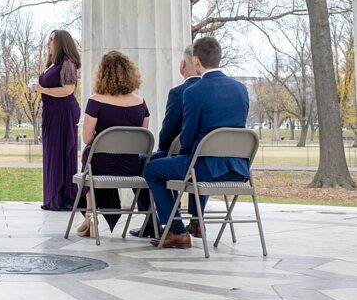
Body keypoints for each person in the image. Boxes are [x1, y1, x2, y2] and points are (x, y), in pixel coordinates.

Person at [143, 35, 250, 249]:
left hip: (202, 168)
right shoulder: (241, 89)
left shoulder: (193, 92)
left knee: (152, 170)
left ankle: (176, 230)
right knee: (178, 164)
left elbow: (188, 137)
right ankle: (194, 221)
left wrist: (181, 154)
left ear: (197, 62)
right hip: (239, 169)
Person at [76, 50, 149, 236]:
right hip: (129, 167)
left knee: (88, 155)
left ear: (103, 74)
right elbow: (143, 138)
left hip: (100, 166)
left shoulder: (95, 101)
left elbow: (87, 138)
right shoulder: (141, 103)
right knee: (91, 156)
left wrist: (104, 140)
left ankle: (89, 217)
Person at [133, 44, 201, 238]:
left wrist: (164, 147)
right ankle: (197, 221)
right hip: (204, 158)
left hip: (180, 156)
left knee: (144, 163)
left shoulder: (179, 92)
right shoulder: (212, 92)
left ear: (183, 65)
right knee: (198, 158)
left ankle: (158, 222)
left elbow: (168, 134)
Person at [34, 29, 81, 211]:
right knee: (52, 152)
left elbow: (68, 90)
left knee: (61, 152)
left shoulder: (67, 63)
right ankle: (53, 196)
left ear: (61, 43)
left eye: (52, 40)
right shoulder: (52, 64)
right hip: (51, 112)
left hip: (64, 111)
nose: (48, 43)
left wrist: (42, 89)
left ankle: (64, 198)